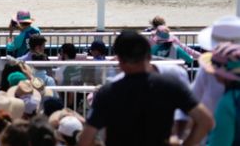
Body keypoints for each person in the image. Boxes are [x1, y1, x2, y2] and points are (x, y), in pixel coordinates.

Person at [77, 30, 212, 146]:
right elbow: (206, 121)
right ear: (148, 56)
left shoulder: (107, 93)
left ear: (120, 61)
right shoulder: (171, 85)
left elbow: (85, 139)